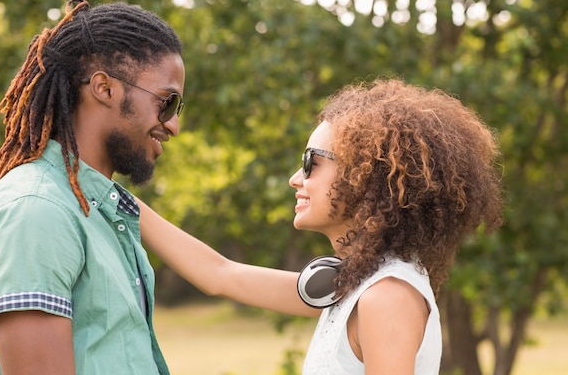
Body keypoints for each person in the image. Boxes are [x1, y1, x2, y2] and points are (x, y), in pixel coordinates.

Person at [137, 78, 503, 375]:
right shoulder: (350, 283)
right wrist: (119, 201)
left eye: (311, 162)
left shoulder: (387, 296)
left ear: (368, 176)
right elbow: (220, 274)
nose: (296, 178)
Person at [0, 0, 185, 375]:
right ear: (104, 88)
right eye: (167, 103)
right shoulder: (35, 212)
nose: (174, 125)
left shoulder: (99, 209)